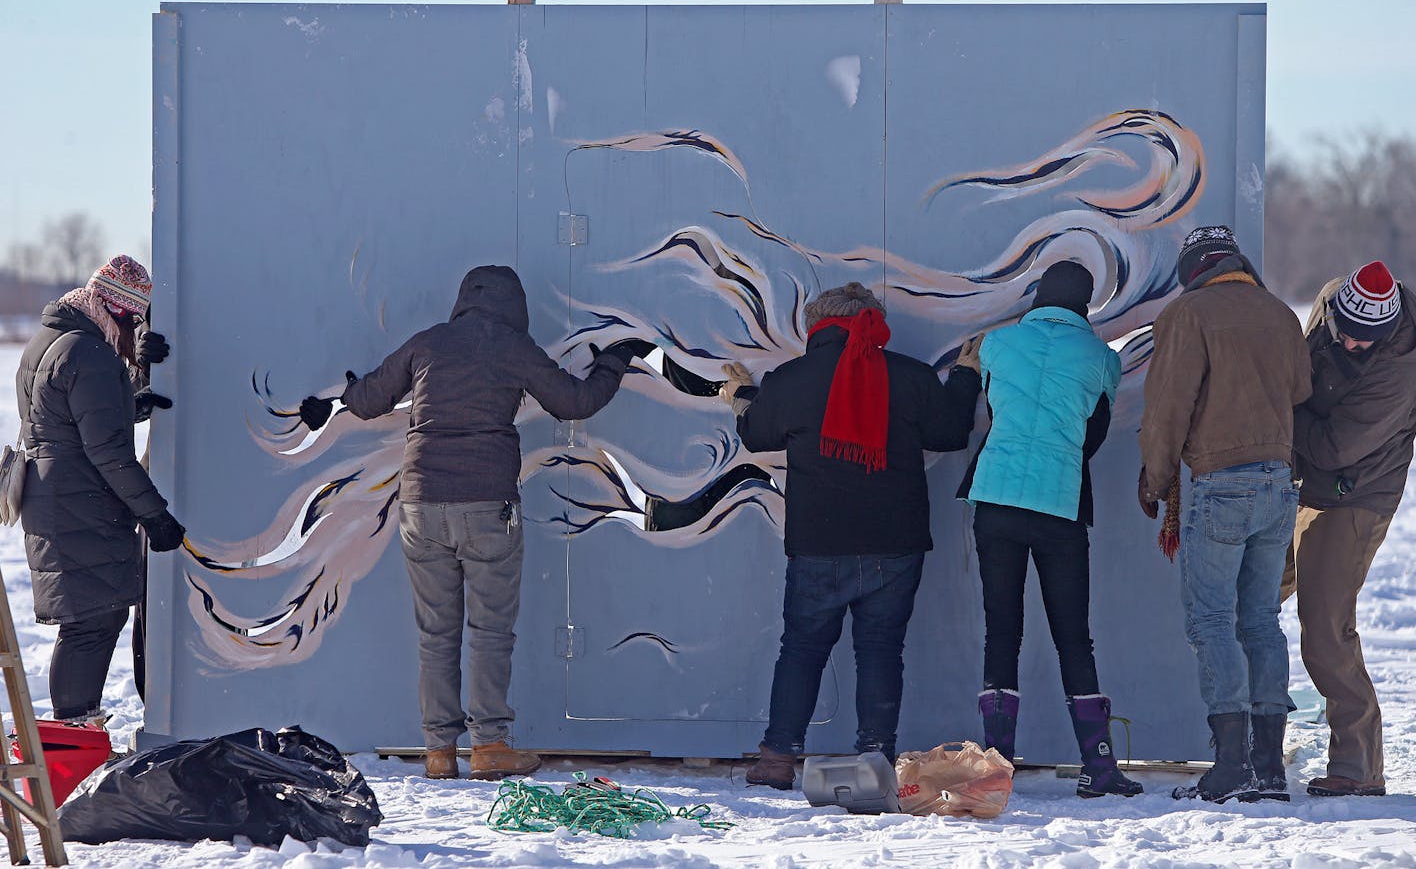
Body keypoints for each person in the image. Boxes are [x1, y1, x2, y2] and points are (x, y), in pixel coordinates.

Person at [299, 265, 650, 781]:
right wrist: (615, 362)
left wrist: (340, 398)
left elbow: (372, 398)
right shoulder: (512, 347)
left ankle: (439, 751)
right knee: (489, 630)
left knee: (436, 632)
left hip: (421, 505)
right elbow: (576, 402)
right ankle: (489, 746)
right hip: (487, 504)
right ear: (515, 305)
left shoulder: (429, 344)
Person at [717, 281, 978, 789]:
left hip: (818, 542)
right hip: (894, 542)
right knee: (880, 651)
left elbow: (757, 434)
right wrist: (965, 377)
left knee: (801, 650)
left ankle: (775, 761)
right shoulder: (909, 375)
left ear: (817, 328)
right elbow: (951, 431)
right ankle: (875, 759)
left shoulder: (791, 379)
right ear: (869, 323)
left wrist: (743, 395)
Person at [1138, 226, 1312, 803]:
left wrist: (1156, 477)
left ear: (1195, 271)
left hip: (1221, 486)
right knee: (1261, 620)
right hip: (1277, 486)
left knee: (1212, 621)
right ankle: (1269, 770)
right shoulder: (1281, 313)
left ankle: (1233, 766)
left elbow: (1167, 406)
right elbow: (1301, 388)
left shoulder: (1190, 315)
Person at [956, 260, 1141, 798]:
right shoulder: (1103, 360)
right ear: (1085, 304)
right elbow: (1094, 434)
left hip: (995, 499)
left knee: (1002, 631)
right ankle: (1098, 766)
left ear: (1039, 296)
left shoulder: (997, 345)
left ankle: (995, 770)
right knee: (1072, 637)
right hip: (1059, 506)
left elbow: (992, 411)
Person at [15, 255, 184, 723]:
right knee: (91, 621)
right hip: (79, 503)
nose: (133, 338)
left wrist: (133, 395)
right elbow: (107, 449)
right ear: (119, 313)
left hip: (56, 498)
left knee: (90, 618)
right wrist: (155, 514)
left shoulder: (49, 341)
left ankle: (75, 726)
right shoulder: (88, 353)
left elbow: (69, 419)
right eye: (134, 323)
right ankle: (74, 730)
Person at [1283, 260, 1416, 797]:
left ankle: (1359, 766)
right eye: (1344, 332)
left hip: (1356, 494)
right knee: (1244, 598)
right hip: (1302, 478)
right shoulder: (1328, 299)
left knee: (1324, 625)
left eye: (1366, 340)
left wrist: (1267, 409)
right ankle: (1244, 731)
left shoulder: (1400, 368)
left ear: (1385, 332)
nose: (1351, 344)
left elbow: (1331, 447)